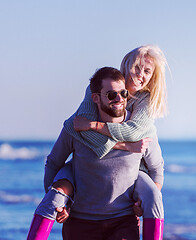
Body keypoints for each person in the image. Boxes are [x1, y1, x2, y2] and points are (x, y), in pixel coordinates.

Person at [27, 45, 168, 240]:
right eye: (111, 94)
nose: (118, 98)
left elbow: (155, 167)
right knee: (57, 191)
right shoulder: (78, 124)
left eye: (147, 71)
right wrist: (62, 203)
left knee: (152, 193)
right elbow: (55, 160)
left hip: (123, 218)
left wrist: (141, 202)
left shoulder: (144, 127)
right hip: (81, 219)